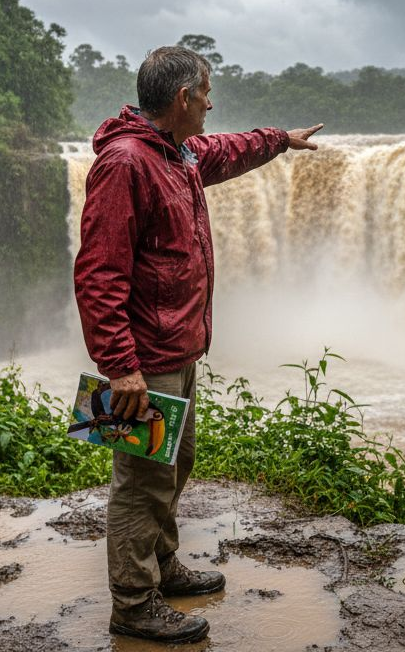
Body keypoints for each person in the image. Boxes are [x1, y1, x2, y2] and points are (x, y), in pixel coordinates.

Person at [74, 46, 322, 643]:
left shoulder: (175, 152)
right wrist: (120, 367)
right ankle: (133, 603)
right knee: (141, 479)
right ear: (182, 98)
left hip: (178, 347)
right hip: (146, 358)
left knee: (173, 465)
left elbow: (225, 150)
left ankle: (160, 566)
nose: (212, 104)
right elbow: (98, 274)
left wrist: (279, 139)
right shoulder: (127, 163)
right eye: (206, 93)